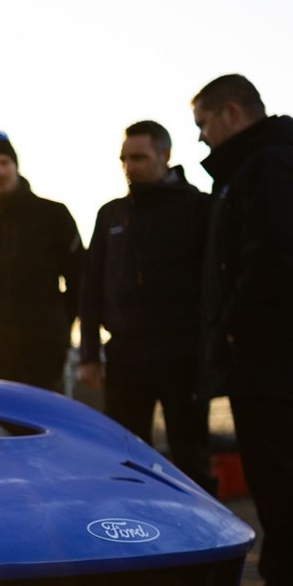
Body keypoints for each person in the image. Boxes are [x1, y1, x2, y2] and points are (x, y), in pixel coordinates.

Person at [192, 73, 293, 586]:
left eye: (204, 123)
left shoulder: (269, 162)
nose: (202, 138)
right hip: (281, 334)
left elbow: (273, 254)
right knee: (288, 466)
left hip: (271, 338)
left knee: (274, 466)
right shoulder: (264, 161)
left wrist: (234, 327)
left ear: (231, 113)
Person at [77, 120, 214, 490]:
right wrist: (89, 353)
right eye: (123, 159)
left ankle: (206, 540)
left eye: (138, 157)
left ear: (165, 155)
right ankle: (134, 534)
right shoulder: (111, 215)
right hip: (125, 355)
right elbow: (90, 286)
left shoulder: (199, 208)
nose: (129, 166)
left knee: (191, 456)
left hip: (183, 353)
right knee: (124, 457)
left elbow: (215, 281)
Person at [0, 131, 85, 391]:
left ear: (15, 165)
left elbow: (79, 277)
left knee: (45, 420)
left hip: (46, 348)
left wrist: (61, 325)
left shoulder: (53, 215)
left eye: (4, 163)